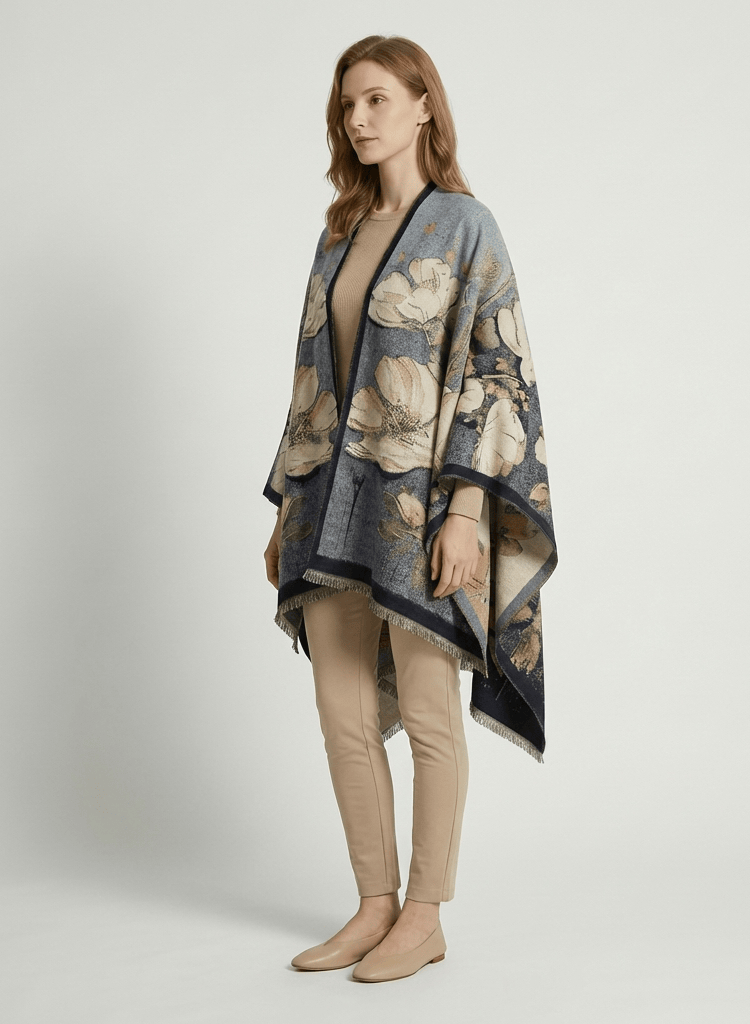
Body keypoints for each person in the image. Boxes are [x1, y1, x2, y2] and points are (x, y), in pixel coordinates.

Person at [262, 35, 556, 983]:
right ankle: (373, 906)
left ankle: (424, 915)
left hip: (421, 512)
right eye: (347, 105)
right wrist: (285, 509)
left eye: (377, 99)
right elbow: (312, 383)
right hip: (329, 506)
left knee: (429, 714)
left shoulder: (466, 227)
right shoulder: (338, 234)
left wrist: (466, 511)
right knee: (342, 714)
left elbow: (498, 375)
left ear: (425, 103)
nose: (358, 118)